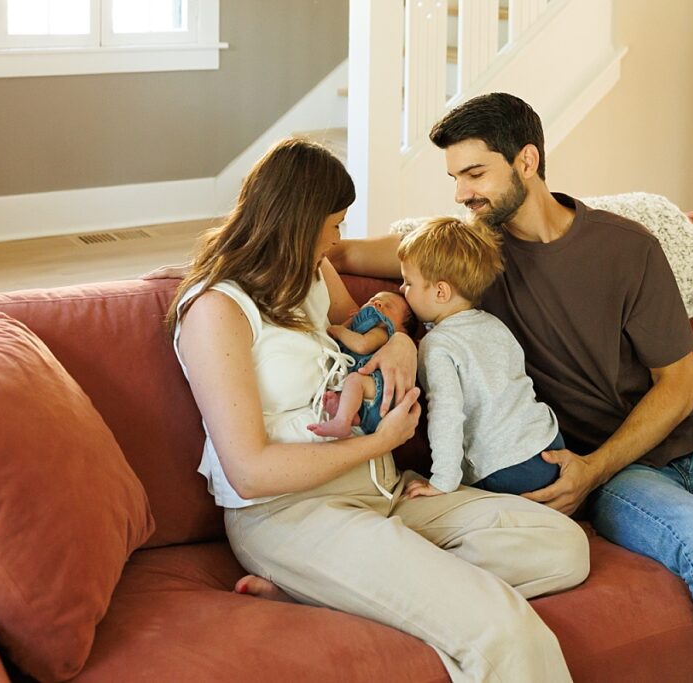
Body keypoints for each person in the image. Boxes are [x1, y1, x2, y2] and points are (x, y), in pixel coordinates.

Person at [327, 93, 693, 683]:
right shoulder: (473, 256)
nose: (462, 193)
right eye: (456, 178)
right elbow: (341, 252)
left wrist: (597, 465)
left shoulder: (626, 246)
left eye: (475, 173)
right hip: (616, 476)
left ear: (527, 161)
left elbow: (677, 388)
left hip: (692, 446)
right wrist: (401, 331)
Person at [167, 137, 588, 682]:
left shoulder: (311, 274)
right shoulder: (216, 309)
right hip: (293, 513)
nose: (338, 238)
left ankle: (343, 590)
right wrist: (379, 441)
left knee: (561, 546)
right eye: (335, 222)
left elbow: (374, 328)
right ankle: (372, 581)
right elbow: (250, 472)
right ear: (301, 219)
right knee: (502, 630)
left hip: (386, 494)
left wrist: (403, 344)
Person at [395, 217, 565, 499]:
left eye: (407, 282)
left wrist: (442, 481)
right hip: (549, 444)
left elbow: (446, 413)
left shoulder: (438, 345)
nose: (401, 290)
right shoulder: (494, 325)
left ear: (440, 291)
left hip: (505, 468)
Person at [307, 291, 415, 438]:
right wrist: (351, 322)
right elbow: (341, 342)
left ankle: (341, 421)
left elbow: (362, 345)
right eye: (373, 299)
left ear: (401, 330)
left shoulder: (382, 331)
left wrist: (339, 330)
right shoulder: (361, 329)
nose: (377, 303)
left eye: (388, 306)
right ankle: (352, 415)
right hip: (367, 401)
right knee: (347, 385)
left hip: (380, 393)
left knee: (353, 380)